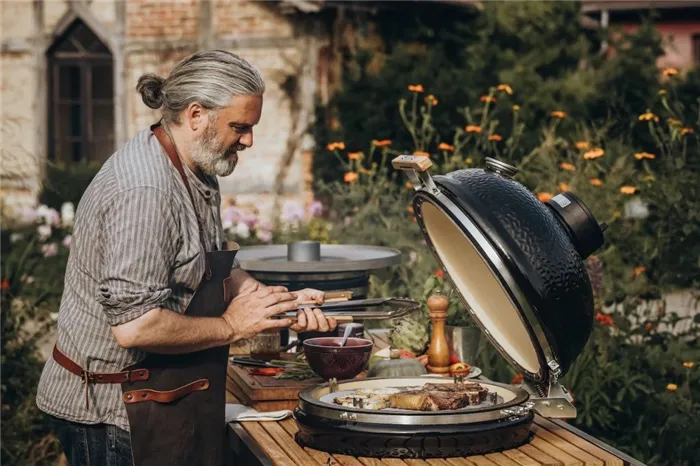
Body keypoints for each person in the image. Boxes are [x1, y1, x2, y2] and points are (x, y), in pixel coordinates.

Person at [36, 50, 337, 466]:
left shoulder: (196, 164)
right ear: (196, 115)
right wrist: (233, 325)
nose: (249, 140)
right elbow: (136, 327)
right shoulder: (145, 192)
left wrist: (275, 303)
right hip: (111, 415)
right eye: (240, 126)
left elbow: (207, 266)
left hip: (158, 397)